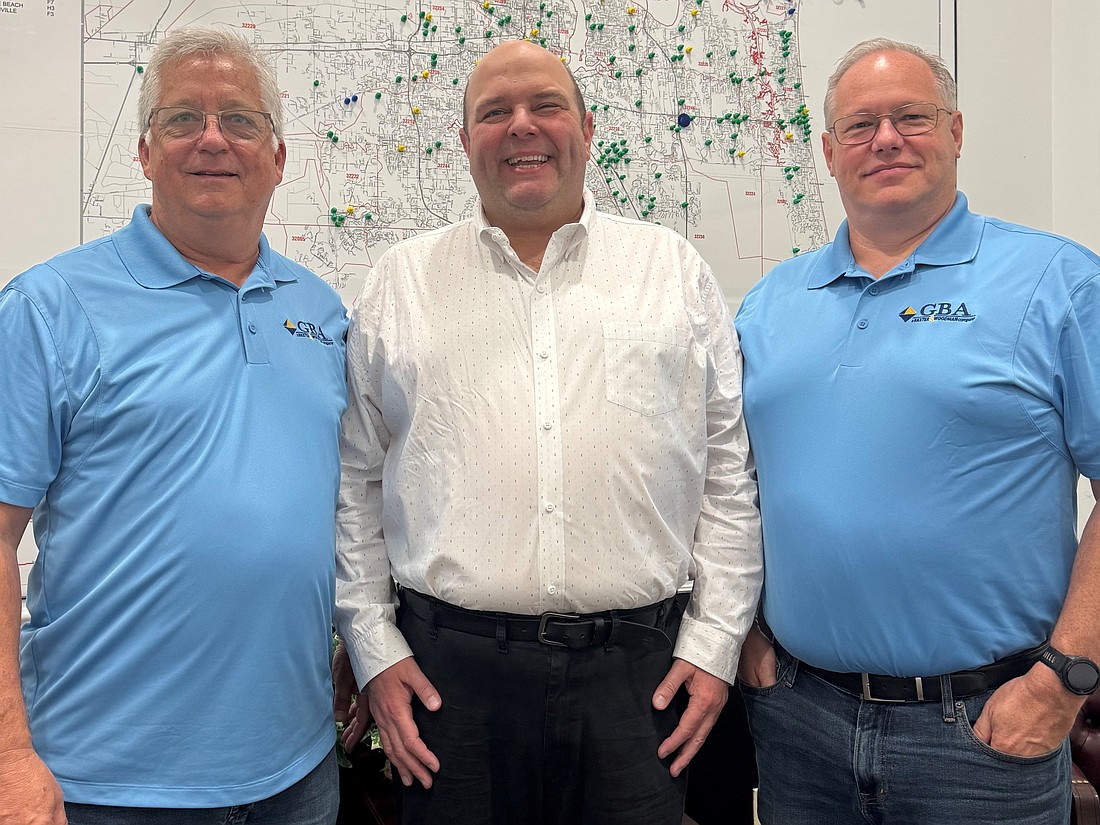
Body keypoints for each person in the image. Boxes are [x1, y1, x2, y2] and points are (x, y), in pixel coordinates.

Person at [332, 39, 762, 825]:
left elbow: (727, 471)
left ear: (588, 127)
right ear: (464, 142)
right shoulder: (401, 280)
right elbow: (355, 481)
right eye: (494, 112)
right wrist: (374, 648)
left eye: (546, 106)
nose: (521, 126)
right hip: (445, 681)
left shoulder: (670, 269)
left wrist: (715, 642)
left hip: (641, 679)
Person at [734, 37, 1100, 824]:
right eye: (861, 124)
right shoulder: (766, 306)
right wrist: (744, 635)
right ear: (828, 152)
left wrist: (1064, 676)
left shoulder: (1059, 283)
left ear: (958, 131)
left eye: (912, 116)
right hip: (799, 719)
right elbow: (734, 488)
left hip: (986, 730)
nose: (887, 138)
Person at [0, 27, 348, 825]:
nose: (214, 139)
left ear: (280, 158)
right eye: (184, 118)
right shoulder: (49, 307)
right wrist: (9, 754)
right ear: (146, 151)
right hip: (106, 783)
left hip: (297, 772)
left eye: (241, 120)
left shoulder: (323, 312)